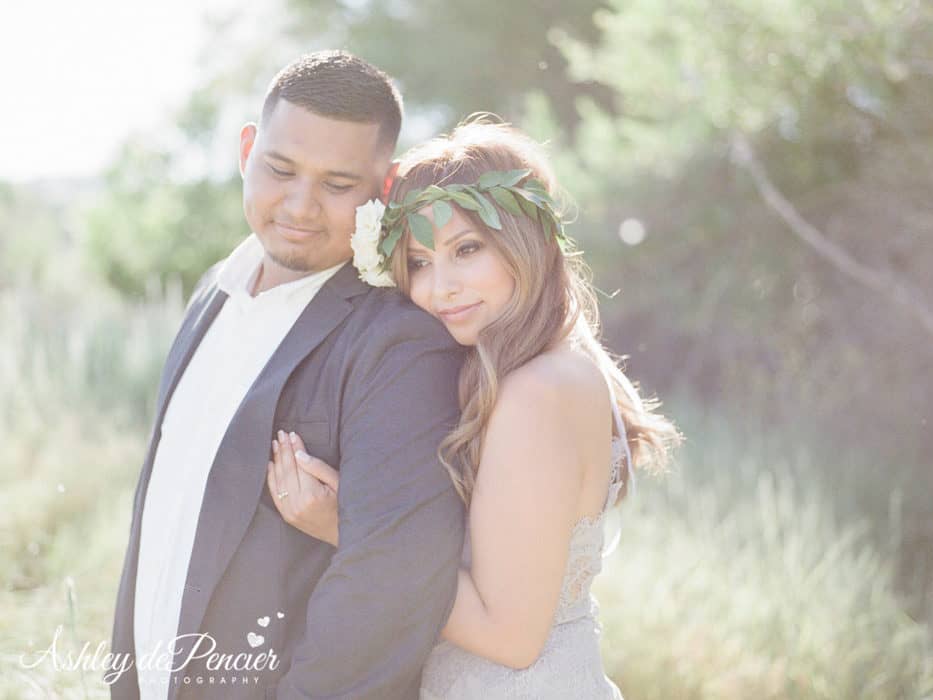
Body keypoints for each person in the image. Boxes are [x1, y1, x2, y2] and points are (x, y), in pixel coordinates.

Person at [268, 119, 682, 699]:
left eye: (466, 249)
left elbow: (510, 635)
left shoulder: (534, 392)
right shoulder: (556, 365)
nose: (441, 288)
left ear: (524, 242)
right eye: (418, 262)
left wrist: (344, 526)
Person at [108, 50, 466, 700]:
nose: (301, 206)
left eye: (337, 184)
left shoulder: (402, 345)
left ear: (382, 189)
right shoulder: (212, 291)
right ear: (247, 149)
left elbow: (388, 595)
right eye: (280, 169)